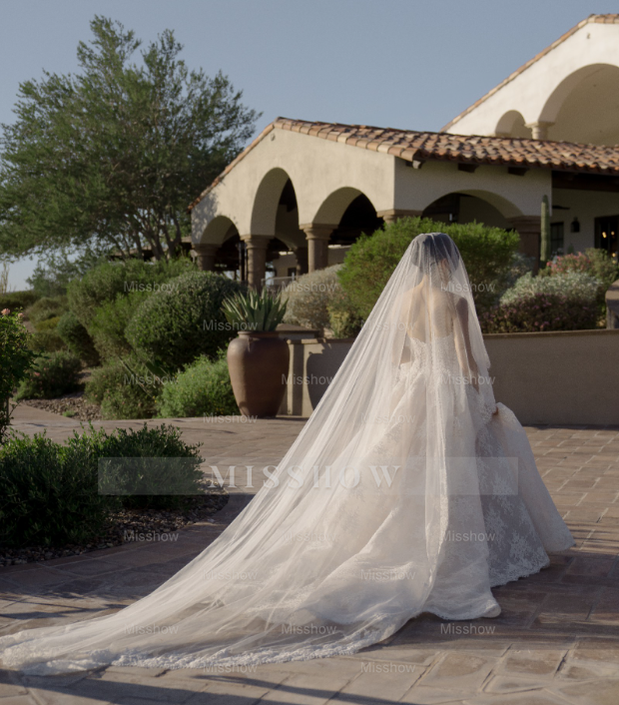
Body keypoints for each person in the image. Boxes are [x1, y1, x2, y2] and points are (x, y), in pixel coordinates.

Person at [0, 232, 574, 675]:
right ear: (447, 263)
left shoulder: (403, 302)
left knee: (400, 478)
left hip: (411, 393)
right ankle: (450, 559)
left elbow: (400, 360)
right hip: (444, 394)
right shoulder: (453, 303)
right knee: (455, 476)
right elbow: (469, 365)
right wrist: (483, 401)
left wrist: (412, 391)